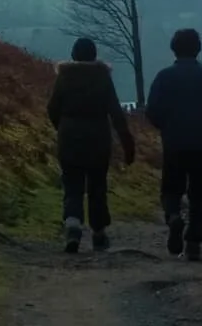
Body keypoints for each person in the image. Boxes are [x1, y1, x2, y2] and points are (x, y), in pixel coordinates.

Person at [142, 24, 202, 259]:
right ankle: (194, 242)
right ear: (198, 49)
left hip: (174, 143)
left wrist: (166, 127)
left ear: (174, 49)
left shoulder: (164, 77)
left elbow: (152, 111)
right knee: (199, 194)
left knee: (171, 189)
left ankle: (173, 217)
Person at [45, 35, 136, 255]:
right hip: (98, 139)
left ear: (74, 55)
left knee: (72, 185)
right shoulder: (102, 78)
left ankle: (73, 227)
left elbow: (52, 109)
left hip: (70, 139)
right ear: (94, 55)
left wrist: (63, 127)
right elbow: (116, 112)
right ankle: (98, 234)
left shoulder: (64, 77)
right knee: (97, 186)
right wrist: (127, 143)